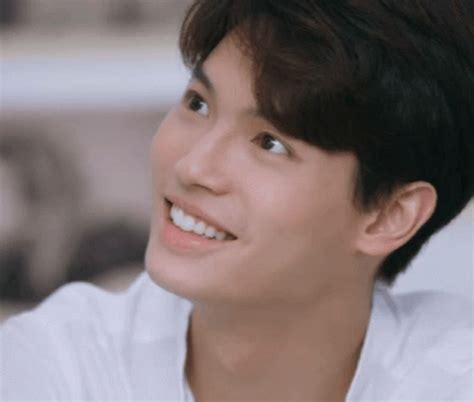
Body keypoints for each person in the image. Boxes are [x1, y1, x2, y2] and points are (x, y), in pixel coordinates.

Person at [1, 0, 473, 400]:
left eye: (270, 143)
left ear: (388, 216)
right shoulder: (58, 369)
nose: (192, 167)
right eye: (198, 104)